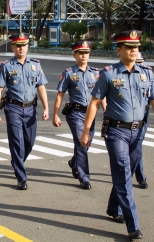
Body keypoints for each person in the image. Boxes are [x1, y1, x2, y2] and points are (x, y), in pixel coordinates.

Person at [80, 30, 154, 240]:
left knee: (126, 174)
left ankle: (113, 207)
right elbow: (94, 103)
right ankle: (133, 224)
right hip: (116, 132)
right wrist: (86, 130)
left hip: (138, 132)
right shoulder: (109, 73)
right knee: (122, 172)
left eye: (136, 47)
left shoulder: (147, 73)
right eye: (128, 47)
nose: (133, 51)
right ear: (118, 50)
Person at [0, 33, 49, 190]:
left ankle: (17, 160)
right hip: (13, 108)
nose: (21, 48)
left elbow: (41, 87)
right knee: (17, 142)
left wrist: (46, 107)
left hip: (31, 108)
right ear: (12, 47)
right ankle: (21, 177)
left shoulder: (35, 65)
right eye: (18, 45)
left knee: (29, 141)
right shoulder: (6, 66)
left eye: (23, 45)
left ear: (27, 47)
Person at [52, 40, 104, 190]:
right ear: (74, 54)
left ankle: (74, 162)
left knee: (87, 143)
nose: (83, 56)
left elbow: (102, 95)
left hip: (91, 114)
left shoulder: (96, 73)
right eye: (80, 53)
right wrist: (55, 114)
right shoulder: (69, 73)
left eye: (86, 53)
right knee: (82, 143)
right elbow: (60, 94)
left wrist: (107, 112)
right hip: (76, 113)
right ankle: (84, 177)